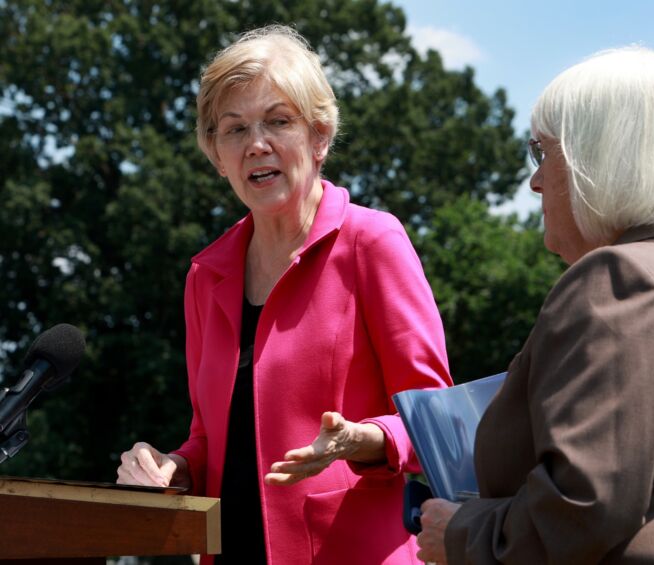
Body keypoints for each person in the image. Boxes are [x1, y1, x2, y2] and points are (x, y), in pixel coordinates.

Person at [116, 25, 452, 565]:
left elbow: (437, 419)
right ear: (216, 154)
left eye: (278, 121)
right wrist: (171, 466)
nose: (256, 144)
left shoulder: (373, 241)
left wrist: (360, 439)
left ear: (320, 137)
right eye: (234, 129)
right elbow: (210, 440)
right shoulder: (206, 275)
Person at [416, 46, 654, 564]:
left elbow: (582, 503)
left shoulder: (619, 278)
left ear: (600, 156)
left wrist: (462, 533)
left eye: (542, 152)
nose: (534, 180)